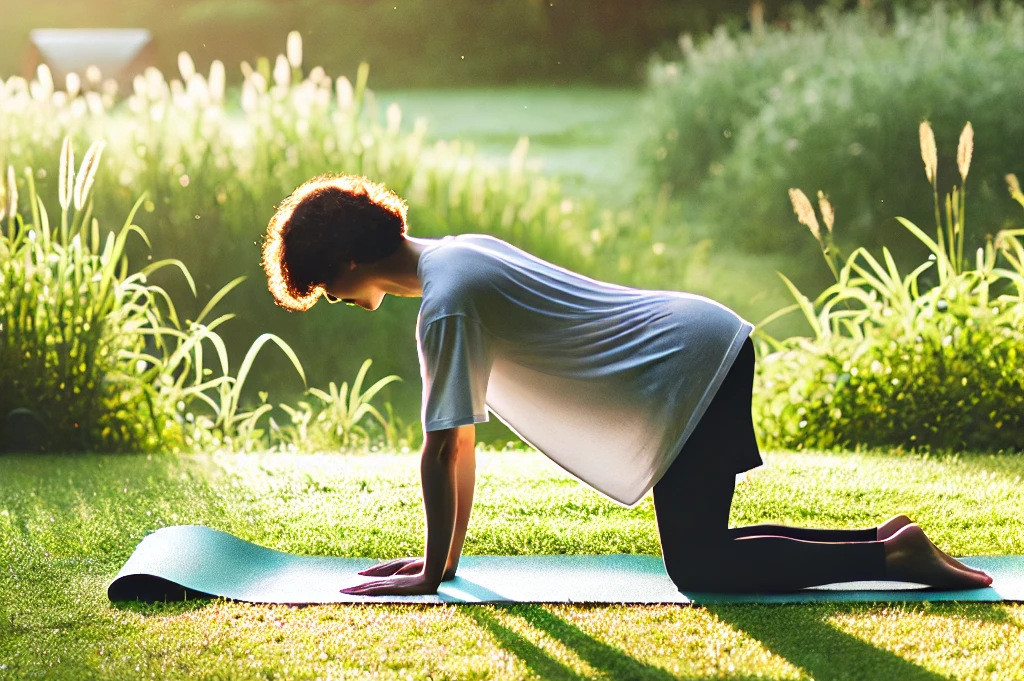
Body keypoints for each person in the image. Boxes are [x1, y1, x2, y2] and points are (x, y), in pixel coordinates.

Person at [261, 173, 993, 597]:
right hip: (699, 344)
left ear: (350, 261)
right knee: (704, 546)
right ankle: (891, 541)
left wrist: (428, 575)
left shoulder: (447, 303)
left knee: (700, 567)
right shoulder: (454, 258)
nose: (327, 294)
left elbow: (442, 448)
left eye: (323, 281)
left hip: (687, 363)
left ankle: (891, 559)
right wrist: (442, 562)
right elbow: (461, 444)